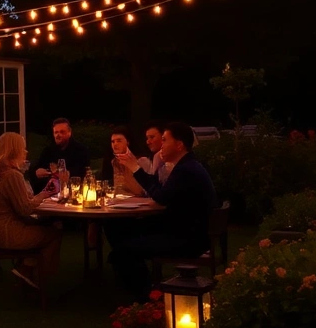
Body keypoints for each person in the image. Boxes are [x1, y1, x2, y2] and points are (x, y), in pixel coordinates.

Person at [109, 122, 217, 302]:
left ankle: (145, 297)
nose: (161, 145)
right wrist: (136, 170)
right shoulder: (187, 165)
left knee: (123, 251)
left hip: (187, 239)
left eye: (165, 140)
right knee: (121, 228)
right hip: (186, 230)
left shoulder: (186, 170)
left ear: (179, 145)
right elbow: (160, 189)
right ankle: (143, 288)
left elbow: (159, 196)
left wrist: (135, 168)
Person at [0, 133, 62, 289]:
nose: (26, 152)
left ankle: (26, 269)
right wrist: (45, 194)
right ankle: (36, 278)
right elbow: (24, 209)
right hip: (7, 234)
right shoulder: (11, 175)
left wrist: (35, 197)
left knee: (43, 226)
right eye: (23, 148)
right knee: (55, 232)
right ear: (14, 150)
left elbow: (17, 205)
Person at [28, 118, 91, 193]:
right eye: (56, 132)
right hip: (50, 193)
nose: (58, 135)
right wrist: (37, 171)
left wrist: (68, 173)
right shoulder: (48, 151)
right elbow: (37, 167)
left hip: (74, 191)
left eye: (62, 132)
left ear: (69, 132)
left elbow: (84, 170)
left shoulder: (80, 150)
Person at [100, 126, 147, 196]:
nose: (115, 144)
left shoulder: (142, 161)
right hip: (119, 202)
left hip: (139, 201)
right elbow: (118, 190)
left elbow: (141, 191)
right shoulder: (114, 162)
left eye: (119, 141)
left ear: (128, 142)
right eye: (113, 141)